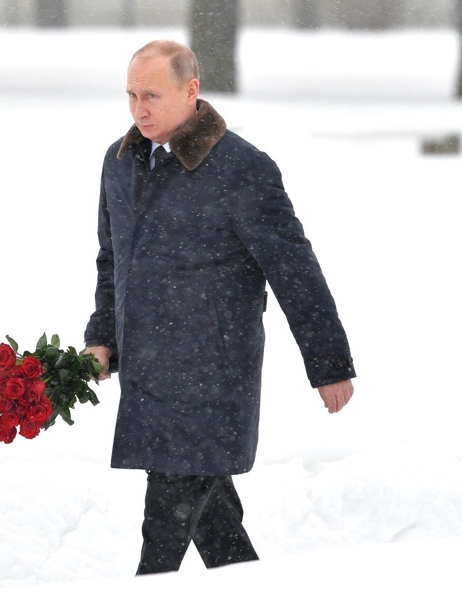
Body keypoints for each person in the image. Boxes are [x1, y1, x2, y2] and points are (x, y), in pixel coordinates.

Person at [83, 40, 356, 574]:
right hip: (148, 375)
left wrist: (329, 363)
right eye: (132, 95)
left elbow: (295, 271)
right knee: (217, 530)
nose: (140, 109)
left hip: (211, 376)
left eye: (153, 95)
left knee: (162, 528)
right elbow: (112, 261)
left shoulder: (242, 168)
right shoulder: (119, 163)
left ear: (191, 90)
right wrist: (102, 337)